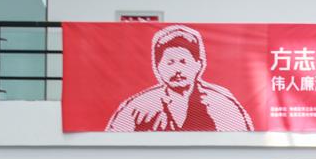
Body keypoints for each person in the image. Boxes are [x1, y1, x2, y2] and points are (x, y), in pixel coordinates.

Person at [107, 24, 253, 132]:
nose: (177, 70)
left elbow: (241, 140)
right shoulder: (139, 107)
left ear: (199, 64)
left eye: (183, 62)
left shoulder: (221, 104)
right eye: (170, 62)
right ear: (157, 66)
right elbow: (113, 138)